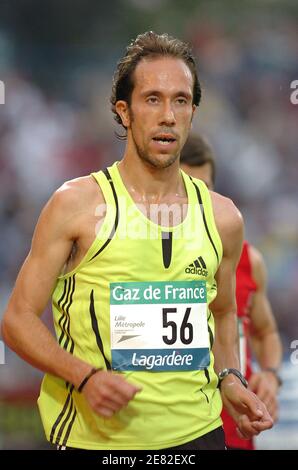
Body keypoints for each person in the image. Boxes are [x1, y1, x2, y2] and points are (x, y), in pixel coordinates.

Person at [1, 31, 273, 451]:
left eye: (180, 100)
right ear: (123, 112)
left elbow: (222, 316)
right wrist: (84, 377)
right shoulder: (75, 205)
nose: (168, 115)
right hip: (98, 441)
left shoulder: (224, 217)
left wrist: (231, 378)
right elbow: (17, 320)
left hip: (199, 435)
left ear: (193, 112)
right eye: (153, 99)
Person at [180, 134, 282, 450]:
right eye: (185, 190)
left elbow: (265, 332)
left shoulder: (248, 260)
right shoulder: (141, 265)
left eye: (206, 189)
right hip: (175, 432)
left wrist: (269, 374)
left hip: (237, 428)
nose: (198, 202)